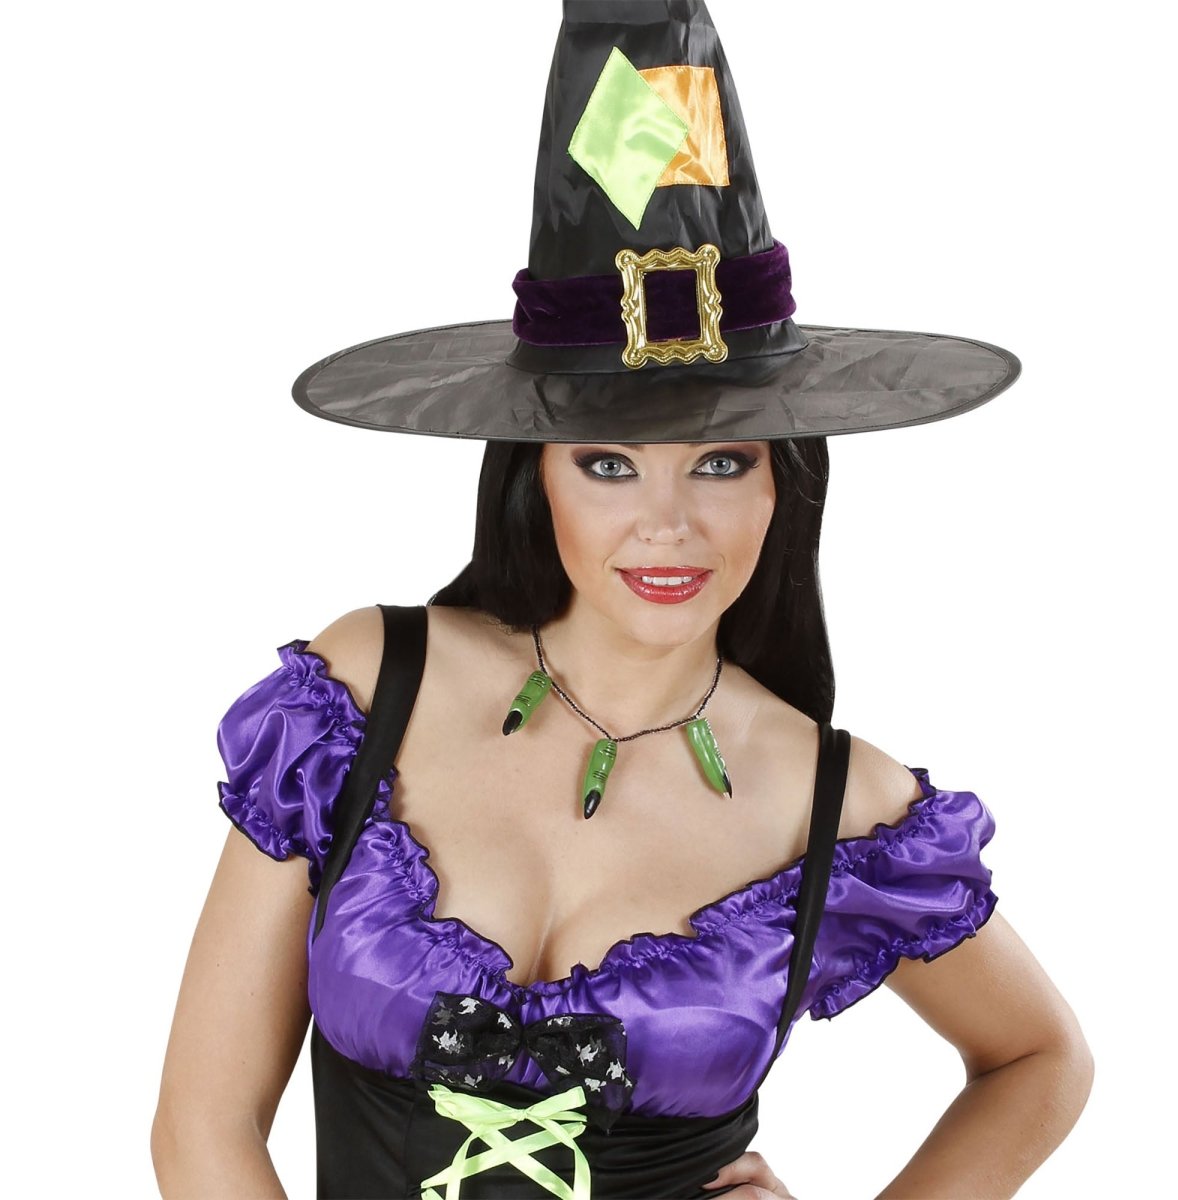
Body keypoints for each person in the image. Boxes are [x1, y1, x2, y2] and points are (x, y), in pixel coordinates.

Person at [151, 3, 1093, 1197]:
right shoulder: (367, 691)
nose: (667, 524)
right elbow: (202, 1129)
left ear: (785, 483)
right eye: (607, 463)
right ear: (535, 475)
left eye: (722, 461)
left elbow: (1039, 1060)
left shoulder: (839, 802)